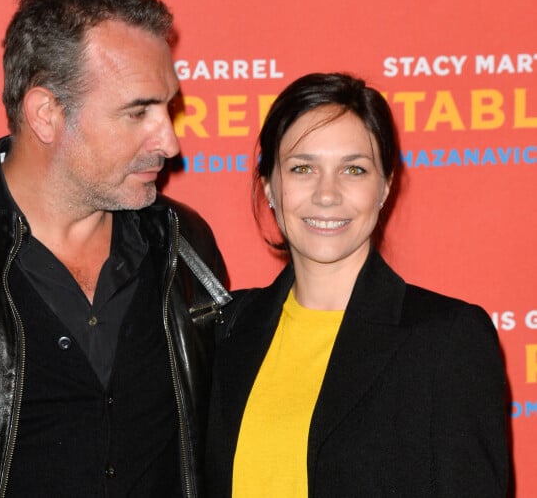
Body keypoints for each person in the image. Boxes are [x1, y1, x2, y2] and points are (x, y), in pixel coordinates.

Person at [0, 0, 230, 498]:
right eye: (139, 112)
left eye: (168, 107)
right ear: (46, 114)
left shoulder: (184, 243)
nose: (170, 142)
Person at [206, 73, 509, 497]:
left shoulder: (447, 340)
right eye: (302, 168)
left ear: (384, 186)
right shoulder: (223, 330)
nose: (326, 194)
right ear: (270, 186)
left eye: (353, 169)